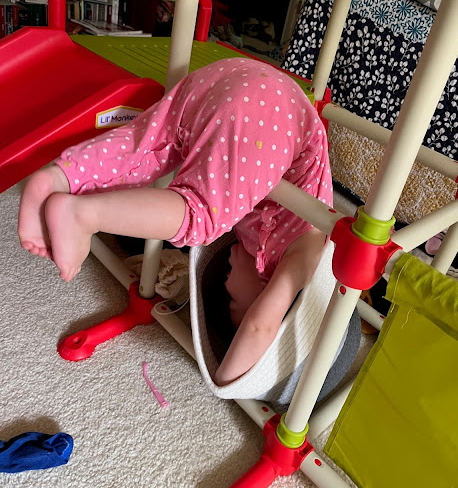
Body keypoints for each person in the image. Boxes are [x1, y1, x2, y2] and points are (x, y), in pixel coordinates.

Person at [18, 58, 333, 386]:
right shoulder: (304, 257)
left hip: (233, 78)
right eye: (234, 302)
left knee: (148, 149)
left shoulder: (261, 241)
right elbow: (260, 328)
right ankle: (83, 215)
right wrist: (224, 384)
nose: (225, 286)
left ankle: (60, 178)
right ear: (265, 298)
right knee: (201, 218)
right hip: (274, 115)